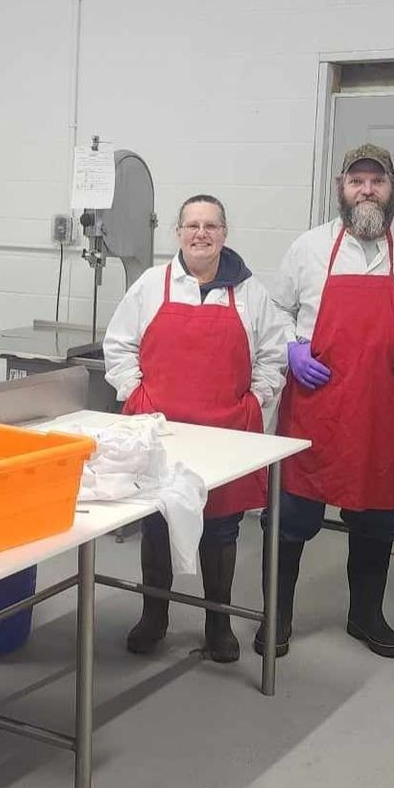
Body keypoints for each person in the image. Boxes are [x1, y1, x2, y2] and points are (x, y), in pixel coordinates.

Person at [264, 143, 394, 660]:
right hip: (313, 405)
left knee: (376, 518)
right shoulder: (309, 248)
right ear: (341, 189)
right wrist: (291, 347)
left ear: (392, 188)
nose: (367, 190)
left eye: (377, 181)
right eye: (357, 181)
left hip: (381, 408)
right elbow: (273, 312)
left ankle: (365, 616)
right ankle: (277, 616)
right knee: (291, 517)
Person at [103, 194, 288, 663]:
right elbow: (119, 345)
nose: (200, 233)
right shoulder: (152, 285)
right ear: (178, 233)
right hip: (161, 432)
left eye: (210, 225)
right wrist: (136, 395)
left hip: (225, 432)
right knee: (158, 522)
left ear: (225, 233)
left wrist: (257, 397)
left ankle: (218, 622)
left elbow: (272, 353)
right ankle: (154, 616)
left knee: (221, 529)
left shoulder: (249, 292)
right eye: (191, 225)